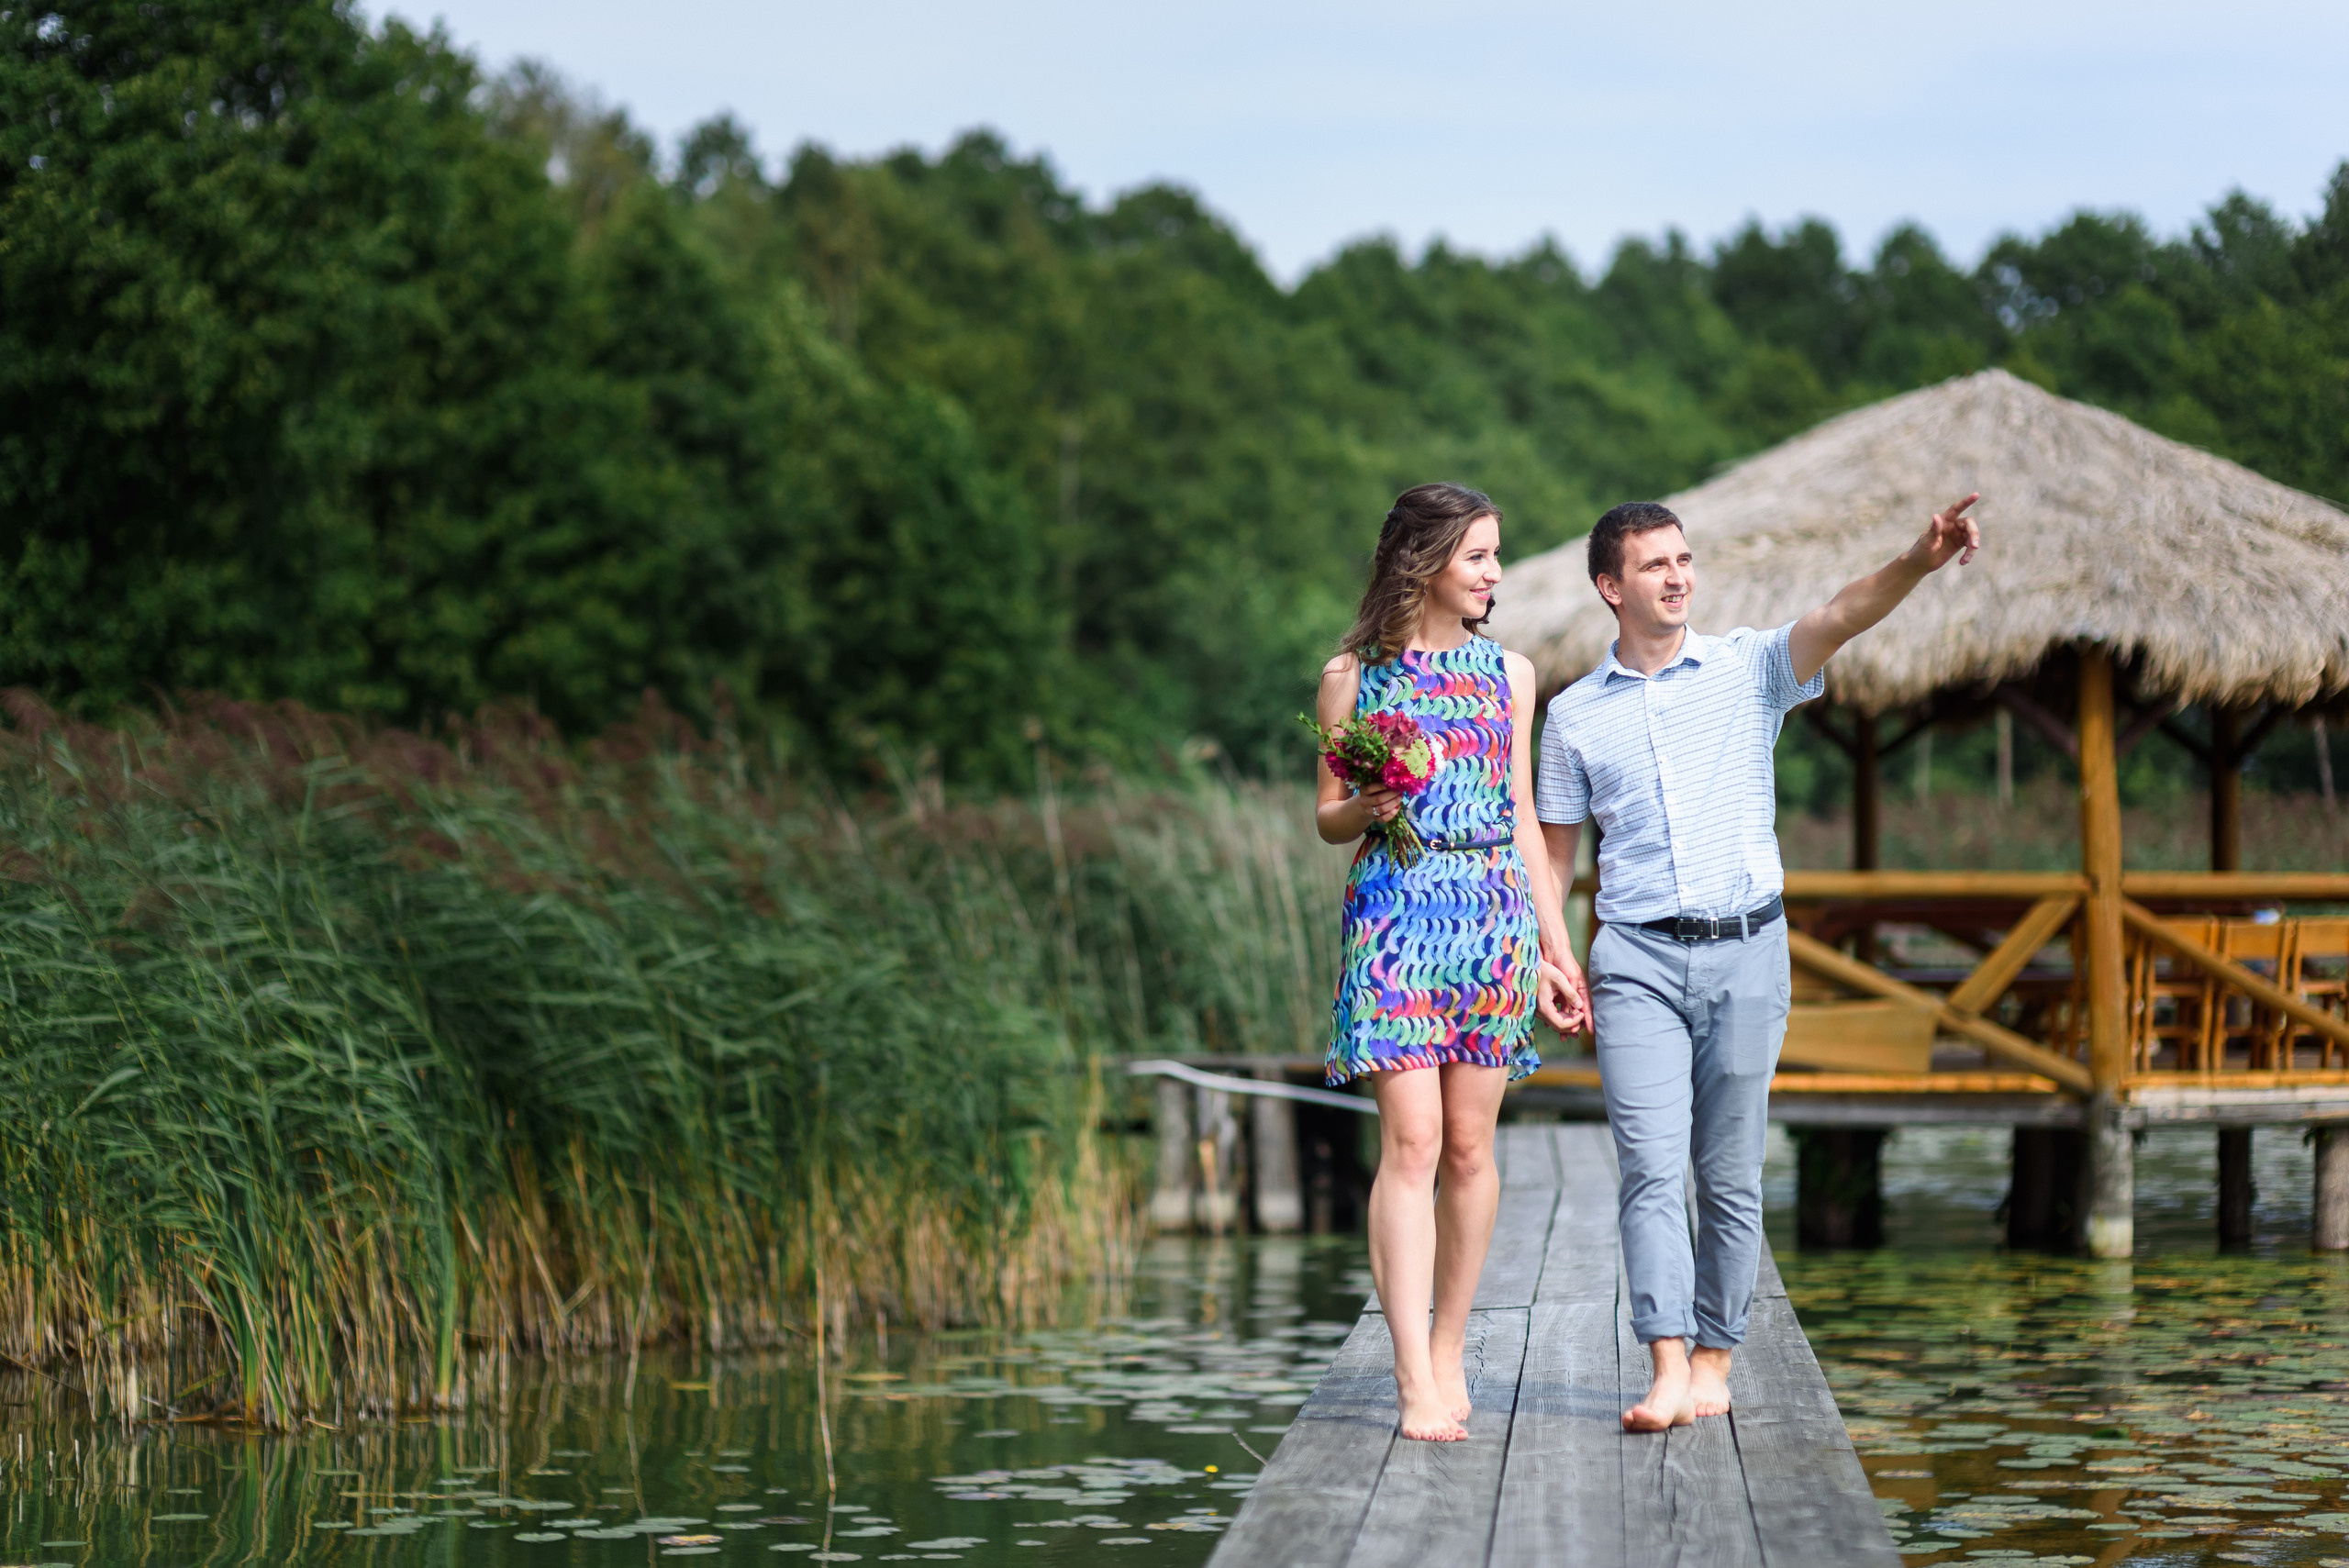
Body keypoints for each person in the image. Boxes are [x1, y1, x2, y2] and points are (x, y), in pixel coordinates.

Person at [1537, 494, 1981, 1432]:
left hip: (1747, 949)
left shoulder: (1747, 669)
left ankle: (1713, 1356)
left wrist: (1916, 558)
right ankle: (1663, 1363)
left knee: (1728, 1172)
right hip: (1636, 961)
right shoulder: (1572, 716)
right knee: (1650, 1168)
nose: (1676, 575)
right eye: (1654, 563)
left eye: (1683, 559)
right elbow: (1556, 855)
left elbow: (1840, 613)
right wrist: (1553, 953)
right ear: (1609, 586)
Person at [1317, 482, 1584, 1443]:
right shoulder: (1351, 675)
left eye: (1495, 555)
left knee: (1471, 1147)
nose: (1495, 573)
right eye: (1479, 555)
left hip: (1491, 920)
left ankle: (1449, 1346)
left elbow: (1519, 818)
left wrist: (1556, 952)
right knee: (1413, 1145)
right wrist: (1373, 804)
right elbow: (1326, 814)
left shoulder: (1509, 674)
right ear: (1422, 561)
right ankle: (1407, 1375)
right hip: (1392, 913)